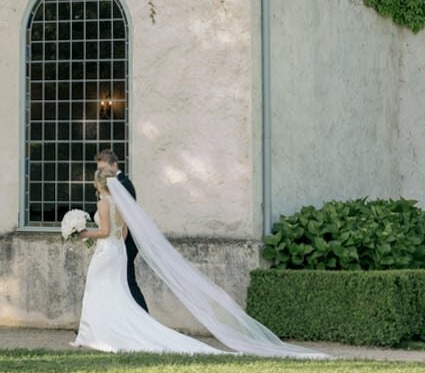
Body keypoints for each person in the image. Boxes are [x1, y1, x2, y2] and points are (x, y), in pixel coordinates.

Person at [70, 167, 329, 359]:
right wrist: (110, 242)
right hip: (117, 252)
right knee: (116, 291)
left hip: (106, 251)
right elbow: (123, 232)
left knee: (99, 290)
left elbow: (104, 230)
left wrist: (83, 234)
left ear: (98, 184)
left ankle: (95, 333)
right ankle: (101, 331)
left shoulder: (103, 202)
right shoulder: (120, 203)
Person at [95, 149, 147, 312]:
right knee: (112, 283)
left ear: (114, 165)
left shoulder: (124, 184)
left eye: (104, 168)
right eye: (99, 169)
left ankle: (144, 319)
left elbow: (125, 218)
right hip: (115, 242)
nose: (101, 172)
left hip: (125, 241)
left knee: (128, 281)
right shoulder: (111, 184)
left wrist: (116, 242)